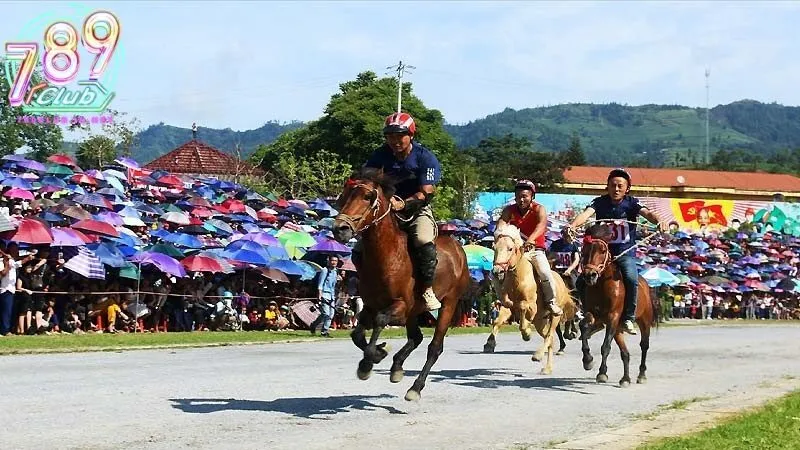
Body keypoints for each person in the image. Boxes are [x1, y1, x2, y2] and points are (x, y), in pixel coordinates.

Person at [566, 168, 668, 335]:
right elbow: (585, 215)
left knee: (631, 277)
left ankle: (628, 317)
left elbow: (648, 214)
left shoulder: (632, 203)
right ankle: (584, 311)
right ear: (607, 186)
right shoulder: (599, 202)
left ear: (627, 188)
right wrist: (572, 226)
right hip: (602, 254)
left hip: (624, 253)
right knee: (581, 280)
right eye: (613, 185)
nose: (616, 189)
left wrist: (660, 221)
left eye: (620, 186)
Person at [362, 112, 442, 311]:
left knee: (423, 241)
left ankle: (427, 289)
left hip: (417, 210)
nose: (395, 140)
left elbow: (427, 192)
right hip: (385, 211)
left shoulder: (425, 158)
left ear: (411, 135)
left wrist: (404, 204)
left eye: (400, 135)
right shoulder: (379, 155)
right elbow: (367, 182)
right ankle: (366, 286)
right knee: (359, 248)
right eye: (390, 136)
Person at [496, 179, 562, 316]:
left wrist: (531, 240)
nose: (521, 199)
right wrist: (500, 232)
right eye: (518, 196)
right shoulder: (510, 210)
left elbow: (541, 225)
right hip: (515, 251)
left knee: (544, 272)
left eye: (525, 196)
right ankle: (502, 299)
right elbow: (502, 222)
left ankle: (551, 302)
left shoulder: (539, 209)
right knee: (495, 271)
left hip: (535, 250)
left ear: (532, 196)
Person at [311, 255, 341, 337]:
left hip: (332, 295)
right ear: (329, 261)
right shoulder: (325, 270)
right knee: (326, 313)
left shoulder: (336, 271)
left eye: (336, 261)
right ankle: (322, 330)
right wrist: (319, 295)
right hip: (325, 294)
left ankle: (322, 329)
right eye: (332, 260)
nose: (334, 262)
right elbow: (320, 284)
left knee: (331, 314)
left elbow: (334, 285)